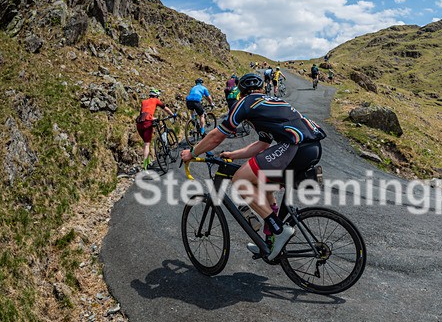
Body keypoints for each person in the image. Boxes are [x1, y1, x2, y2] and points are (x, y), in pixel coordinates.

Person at [180, 73, 326, 261]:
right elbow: (263, 145)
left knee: (240, 180)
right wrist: (233, 155)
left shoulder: (246, 102)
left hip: (295, 146)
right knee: (263, 185)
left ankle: (278, 230)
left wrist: (192, 153)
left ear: (240, 92)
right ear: (261, 88)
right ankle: (270, 241)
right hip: (312, 147)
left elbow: (217, 136)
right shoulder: (269, 103)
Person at [135, 89, 175, 170]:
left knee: (146, 144)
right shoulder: (156, 100)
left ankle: (148, 161)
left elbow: (143, 113)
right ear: (156, 95)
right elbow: (165, 108)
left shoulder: (144, 102)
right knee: (147, 144)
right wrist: (172, 114)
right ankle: (145, 165)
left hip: (139, 124)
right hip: (148, 123)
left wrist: (152, 117)